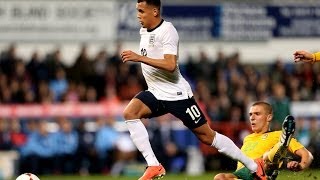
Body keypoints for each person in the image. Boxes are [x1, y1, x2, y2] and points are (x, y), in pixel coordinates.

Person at [120, 0, 265, 179]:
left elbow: (170, 64)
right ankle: (154, 165)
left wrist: (139, 58)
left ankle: (253, 165)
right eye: (137, 11)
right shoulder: (144, 31)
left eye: (141, 11)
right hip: (156, 92)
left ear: (155, 11)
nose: (138, 15)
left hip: (177, 95)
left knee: (207, 136)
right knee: (130, 113)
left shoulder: (168, 31)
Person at [214, 101, 313, 180]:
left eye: (257, 114)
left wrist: (300, 166)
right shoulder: (247, 138)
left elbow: (307, 155)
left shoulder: (278, 135)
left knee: (265, 160)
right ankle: (277, 152)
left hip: (263, 170)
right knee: (219, 178)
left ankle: (279, 149)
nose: (252, 118)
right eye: (250, 114)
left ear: (269, 117)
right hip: (241, 174)